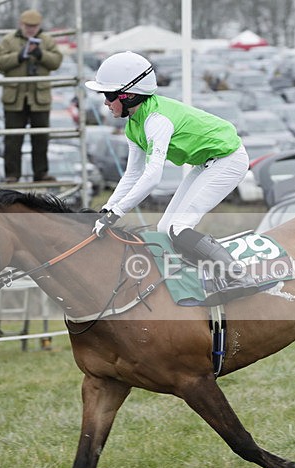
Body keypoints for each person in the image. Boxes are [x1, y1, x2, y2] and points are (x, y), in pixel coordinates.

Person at [85, 51, 257, 302]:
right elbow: (132, 174)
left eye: (109, 96)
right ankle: (206, 277)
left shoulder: (156, 120)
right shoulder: (135, 124)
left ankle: (238, 276)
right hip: (207, 163)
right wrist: (107, 209)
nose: (105, 102)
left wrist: (118, 213)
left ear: (128, 95)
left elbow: (153, 177)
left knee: (179, 227)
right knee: (166, 229)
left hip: (229, 160)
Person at [0, 9, 63, 183]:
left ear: (39, 26)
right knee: (12, 139)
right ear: (21, 24)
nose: (31, 29)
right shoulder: (9, 40)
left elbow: (56, 61)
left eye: (34, 26)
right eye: (28, 26)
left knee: (41, 138)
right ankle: (12, 174)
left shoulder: (46, 41)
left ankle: (41, 173)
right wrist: (19, 56)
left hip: (39, 98)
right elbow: (0, 62)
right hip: (15, 98)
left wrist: (40, 54)